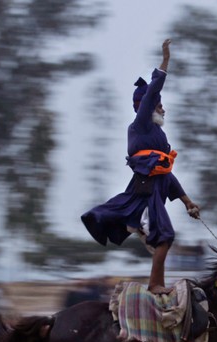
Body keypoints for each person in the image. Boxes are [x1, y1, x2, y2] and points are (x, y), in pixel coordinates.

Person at [81, 39, 200, 295]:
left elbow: (165, 172)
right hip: (144, 194)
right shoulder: (140, 125)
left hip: (155, 191)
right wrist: (165, 62)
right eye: (158, 104)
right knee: (165, 237)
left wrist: (187, 201)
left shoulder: (159, 137)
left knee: (165, 238)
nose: (163, 108)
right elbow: (151, 93)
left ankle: (137, 227)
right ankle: (156, 284)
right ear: (143, 107)